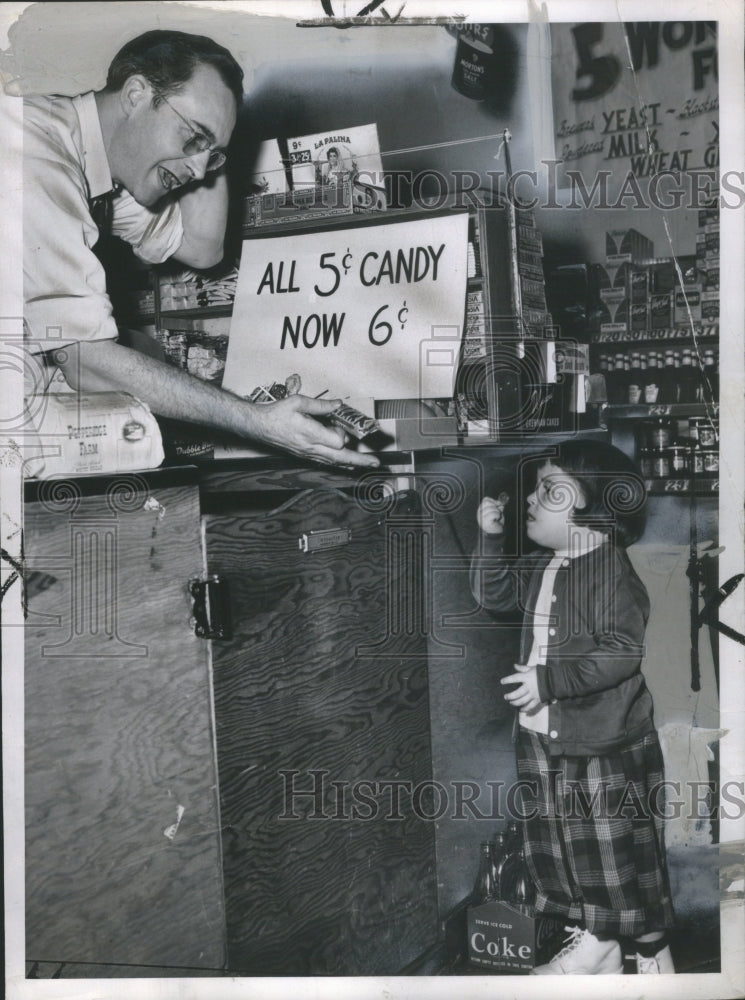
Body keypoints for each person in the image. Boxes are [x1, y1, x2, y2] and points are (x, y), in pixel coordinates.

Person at [22, 29, 378, 469]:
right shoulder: (36, 158)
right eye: (192, 136)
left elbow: (202, 247)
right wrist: (257, 421)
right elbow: (84, 359)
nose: (196, 170)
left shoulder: (93, 166)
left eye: (211, 155)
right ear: (135, 93)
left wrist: (211, 146)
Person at [470, 439, 675, 975]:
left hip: (601, 744)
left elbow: (622, 654)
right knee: (559, 852)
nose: (530, 499)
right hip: (542, 736)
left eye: (548, 488)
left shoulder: (612, 575)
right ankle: (599, 947)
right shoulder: (546, 564)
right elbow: (493, 596)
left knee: (611, 861)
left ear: (594, 507)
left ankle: (641, 951)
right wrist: (490, 540)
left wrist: (550, 679)